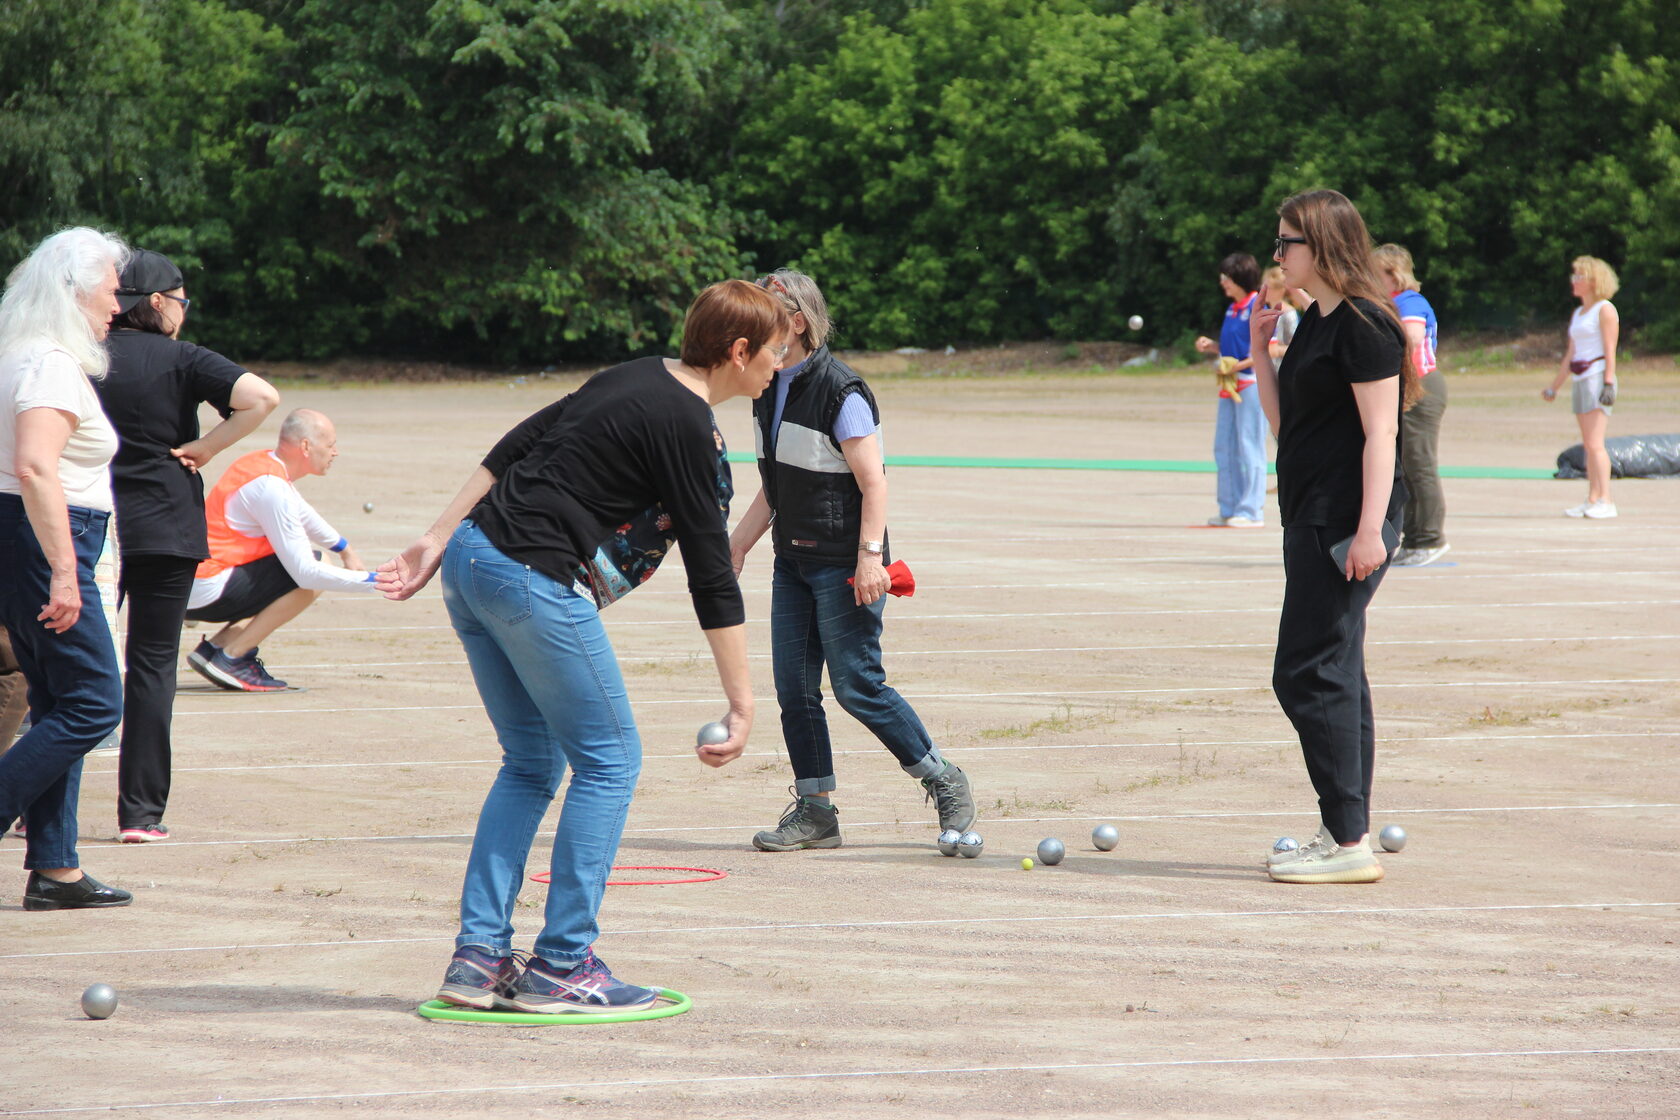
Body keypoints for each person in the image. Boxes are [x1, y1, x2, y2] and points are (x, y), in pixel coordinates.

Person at [377, 279, 782, 1013]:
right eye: (774, 353)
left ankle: (478, 960)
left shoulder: (631, 375)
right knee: (612, 758)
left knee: (532, 762)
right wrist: (743, 700)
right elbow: (711, 572)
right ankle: (563, 964)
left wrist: (438, 536)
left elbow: (515, 445)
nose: (777, 368)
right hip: (531, 575)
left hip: (472, 559)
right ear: (739, 349)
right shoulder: (689, 424)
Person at [730, 268, 975, 852]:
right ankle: (816, 812)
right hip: (791, 559)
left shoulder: (843, 389)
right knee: (793, 688)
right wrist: (737, 543)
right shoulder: (766, 385)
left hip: (845, 562)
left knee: (857, 686)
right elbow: (775, 485)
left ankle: (944, 779)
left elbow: (874, 483)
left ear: (796, 322)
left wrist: (870, 559)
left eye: (766, 314)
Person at [1249, 189, 1416, 885]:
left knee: (1306, 671)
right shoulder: (1315, 321)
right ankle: (1343, 830)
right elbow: (1292, 427)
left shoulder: (1366, 324)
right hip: (1310, 512)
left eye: (1286, 242)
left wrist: (1370, 531)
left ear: (1321, 245)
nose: (1277, 255)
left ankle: (1349, 843)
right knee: (1338, 671)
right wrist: (1262, 353)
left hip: (1347, 520)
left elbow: (1383, 431)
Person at [95, 249, 280, 840]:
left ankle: (35, 803)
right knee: (150, 666)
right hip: (161, 524)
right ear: (156, 302)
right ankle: (141, 815)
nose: (184, 312)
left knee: (64, 668)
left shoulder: (79, 357)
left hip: (86, 519)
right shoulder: (181, 359)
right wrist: (208, 446)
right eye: (181, 301)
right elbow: (263, 398)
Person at [0, 226, 133, 910]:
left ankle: (55, 869)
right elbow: (34, 467)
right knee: (94, 700)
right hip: (49, 537)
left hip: (22, 533)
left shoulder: (14, 352)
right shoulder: (48, 363)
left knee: (56, 697)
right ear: (75, 290)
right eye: (111, 290)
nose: (117, 304)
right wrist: (62, 569)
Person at [184, 409, 377, 691]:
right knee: (311, 573)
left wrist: (344, 549)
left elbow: (304, 513)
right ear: (306, 447)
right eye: (330, 444)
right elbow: (307, 575)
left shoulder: (262, 463)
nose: (335, 452)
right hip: (207, 589)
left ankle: (215, 649)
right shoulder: (271, 488)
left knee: (309, 563)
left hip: (199, 582)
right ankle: (232, 657)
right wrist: (377, 582)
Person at [1373, 244, 1448, 565]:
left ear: (1393, 273)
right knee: (1405, 467)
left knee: (1420, 464)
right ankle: (1413, 538)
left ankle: (1430, 539)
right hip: (1404, 389)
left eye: (1375, 272)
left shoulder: (1410, 301)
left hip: (1422, 388)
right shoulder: (1388, 303)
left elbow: (1413, 336)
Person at [1543, 256, 1620, 519]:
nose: (1574, 281)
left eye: (1579, 277)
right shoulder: (1578, 314)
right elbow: (1570, 354)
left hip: (1598, 377)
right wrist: (1555, 387)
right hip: (1579, 378)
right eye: (1574, 276)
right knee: (1588, 444)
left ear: (1593, 281)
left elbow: (1610, 350)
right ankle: (1592, 498)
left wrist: (1609, 383)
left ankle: (1606, 500)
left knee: (1596, 443)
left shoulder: (1605, 309)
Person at [1194, 253, 1267, 527]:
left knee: (1250, 447)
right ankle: (1229, 507)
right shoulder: (1232, 308)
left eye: (1226, 277)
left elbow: (1266, 350)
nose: (1222, 282)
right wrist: (1212, 346)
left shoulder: (1256, 306)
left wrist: (1236, 368)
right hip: (1229, 387)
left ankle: (1252, 511)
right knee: (1224, 447)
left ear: (1239, 278)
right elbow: (1231, 349)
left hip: (1249, 386)